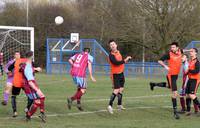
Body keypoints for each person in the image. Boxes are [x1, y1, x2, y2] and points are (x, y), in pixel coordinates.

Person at [149, 42, 182, 119]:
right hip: (171, 75)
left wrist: (190, 50)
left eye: (173, 47)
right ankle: (175, 113)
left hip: (176, 75)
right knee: (175, 93)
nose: (172, 48)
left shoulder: (180, 51)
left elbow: (184, 50)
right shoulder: (169, 54)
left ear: (177, 48)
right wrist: (165, 66)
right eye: (171, 47)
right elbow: (159, 61)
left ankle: (154, 84)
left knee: (169, 86)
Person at [107, 39, 132, 114]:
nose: (112, 46)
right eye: (111, 45)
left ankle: (119, 104)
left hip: (121, 73)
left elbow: (120, 62)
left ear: (116, 45)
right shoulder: (111, 55)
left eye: (113, 44)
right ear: (110, 47)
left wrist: (125, 61)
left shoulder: (118, 52)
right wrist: (125, 60)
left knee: (121, 89)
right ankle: (109, 105)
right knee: (116, 90)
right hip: (115, 74)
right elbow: (116, 63)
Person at [20, 51, 46, 122]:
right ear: (31, 56)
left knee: (42, 97)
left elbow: (26, 69)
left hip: (32, 84)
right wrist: (35, 89)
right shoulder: (27, 67)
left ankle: (42, 113)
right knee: (37, 101)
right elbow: (29, 80)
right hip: (30, 85)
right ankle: (28, 115)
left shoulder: (28, 64)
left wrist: (35, 69)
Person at [185, 48, 200, 116]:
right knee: (187, 95)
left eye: (192, 51)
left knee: (192, 95)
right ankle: (188, 111)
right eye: (190, 51)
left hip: (195, 80)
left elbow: (196, 71)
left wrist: (189, 71)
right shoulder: (190, 61)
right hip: (190, 79)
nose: (190, 52)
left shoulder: (197, 62)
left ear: (195, 53)